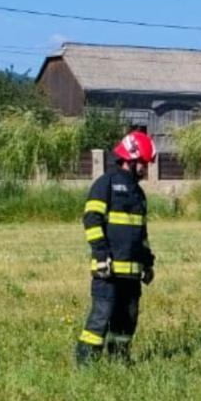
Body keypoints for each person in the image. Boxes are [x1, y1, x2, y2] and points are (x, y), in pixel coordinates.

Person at [75, 129, 156, 363]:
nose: (146, 169)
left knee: (127, 320)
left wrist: (147, 263)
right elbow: (91, 219)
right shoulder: (105, 184)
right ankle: (86, 363)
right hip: (108, 272)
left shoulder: (139, 194)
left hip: (131, 275)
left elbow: (142, 233)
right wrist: (100, 255)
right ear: (131, 159)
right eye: (143, 163)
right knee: (101, 317)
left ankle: (119, 361)